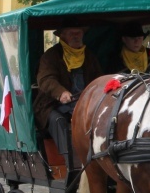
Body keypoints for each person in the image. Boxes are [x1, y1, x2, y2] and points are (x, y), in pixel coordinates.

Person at [33, 20, 103, 164]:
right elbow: (46, 79)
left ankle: (101, 157)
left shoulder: (89, 56)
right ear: (62, 36)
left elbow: (99, 79)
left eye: (79, 33)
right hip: (52, 105)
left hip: (85, 104)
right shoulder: (51, 56)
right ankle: (73, 163)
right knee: (58, 120)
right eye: (72, 33)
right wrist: (61, 93)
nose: (76, 36)